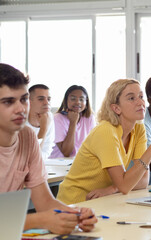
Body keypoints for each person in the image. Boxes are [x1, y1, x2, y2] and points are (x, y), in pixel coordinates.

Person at [0, 63, 97, 234]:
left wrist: (75, 214)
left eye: (23, 99)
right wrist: (39, 220)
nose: (21, 109)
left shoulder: (28, 136)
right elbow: (42, 215)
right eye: (8, 102)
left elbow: (45, 201)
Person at [57, 79, 151, 204]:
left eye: (141, 96)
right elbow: (125, 187)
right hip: (74, 203)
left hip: (103, 201)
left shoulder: (138, 128)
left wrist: (114, 188)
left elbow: (143, 181)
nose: (140, 102)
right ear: (116, 108)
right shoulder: (106, 131)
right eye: (131, 98)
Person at [49, 85, 96, 158]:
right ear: (66, 101)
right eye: (73, 99)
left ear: (86, 102)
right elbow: (66, 152)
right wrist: (73, 122)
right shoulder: (57, 118)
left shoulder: (89, 118)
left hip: (80, 162)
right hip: (58, 163)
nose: (77, 102)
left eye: (81, 99)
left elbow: (93, 147)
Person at [27, 84, 55, 161]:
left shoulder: (49, 117)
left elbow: (47, 150)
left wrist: (38, 159)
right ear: (29, 102)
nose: (46, 103)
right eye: (41, 99)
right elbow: (30, 157)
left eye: (48, 99)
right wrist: (44, 128)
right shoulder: (19, 120)